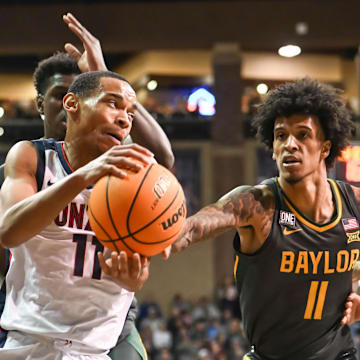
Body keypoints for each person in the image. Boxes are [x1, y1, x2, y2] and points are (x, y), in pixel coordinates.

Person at [0, 13, 174, 360]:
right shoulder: (29, 158)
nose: (125, 117)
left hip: (101, 341)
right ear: (70, 104)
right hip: (31, 336)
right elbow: (9, 231)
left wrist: (137, 276)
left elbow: (164, 161)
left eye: (130, 111)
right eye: (113, 104)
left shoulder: (136, 172)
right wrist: (83, 176)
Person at [168, 77, 360, 360]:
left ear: (325, 148)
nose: (289, 145)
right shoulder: (259, 205)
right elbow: (196, 226)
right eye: (281, 136)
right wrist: (161, 237)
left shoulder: (353, 203)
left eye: (303, 135)